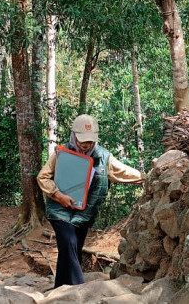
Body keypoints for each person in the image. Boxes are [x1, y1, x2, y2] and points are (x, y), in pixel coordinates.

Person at [37, 114, 145, 288]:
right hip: (59, 209)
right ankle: (81, 289)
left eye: (90, 141)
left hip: (84, 213)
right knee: (69, 242)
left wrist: (145, 177)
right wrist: (58, 195)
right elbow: (43, 177)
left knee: (73, 249)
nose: (86, 144)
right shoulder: (61, 153)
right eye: (82, 140)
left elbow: (123, 172)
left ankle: (61, 288)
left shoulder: (104, 157)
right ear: (74, 136)